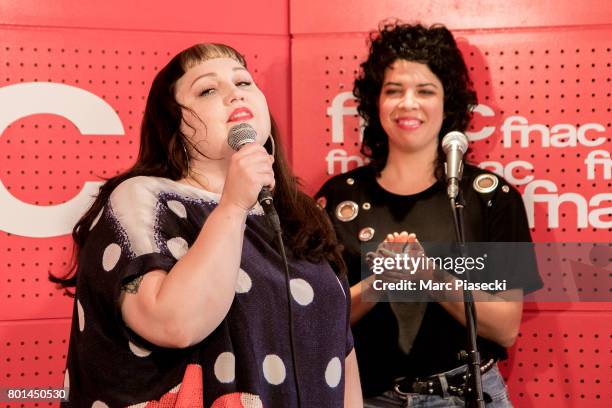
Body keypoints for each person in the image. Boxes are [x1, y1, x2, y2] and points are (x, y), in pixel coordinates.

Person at [53, 43, 362, 407]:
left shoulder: (299, 214)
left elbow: (339, 353)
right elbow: (174, 324)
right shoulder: (142, 198)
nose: (234, 94)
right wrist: (233, 205)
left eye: (244, 83)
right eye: (208, 89)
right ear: (173, 123)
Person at [316, 22, 542, 407]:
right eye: (393, 90)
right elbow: (317, 322)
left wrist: (431, 277)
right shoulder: (337, 199)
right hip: (366, 397)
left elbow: (506, 328)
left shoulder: (492, 197)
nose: (408, 103)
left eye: (425, 90)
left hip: (466, 395)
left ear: (447, 103)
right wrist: (380, 283)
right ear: (375, 103)